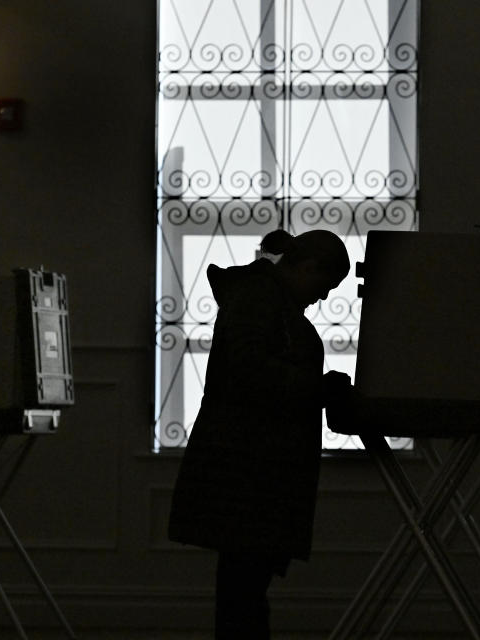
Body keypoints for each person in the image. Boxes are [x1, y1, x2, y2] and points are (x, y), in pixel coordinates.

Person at [168, 229, 352, 639]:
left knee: (243, 589)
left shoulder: (258, 297)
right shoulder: (259, 299)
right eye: (325, 286)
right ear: (306, 268)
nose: (322, 298)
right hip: (250, 473)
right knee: (244, 592)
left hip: (249, 470)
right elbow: (250, 372)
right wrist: (319, 388)